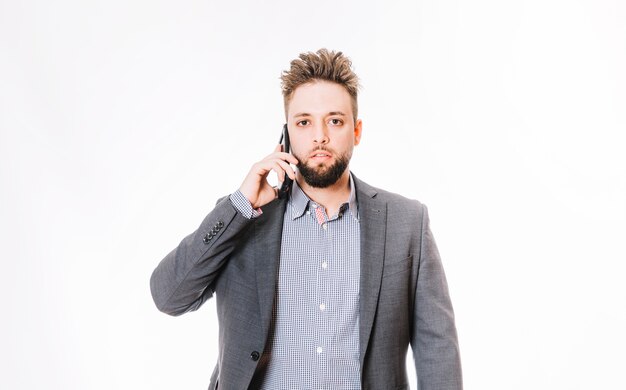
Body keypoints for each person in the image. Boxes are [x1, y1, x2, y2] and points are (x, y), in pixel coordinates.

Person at [150, 48, 462, 390]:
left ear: (356, 131)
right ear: (286, 134)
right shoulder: (244, 217)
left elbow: (438, 350)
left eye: (335, 120)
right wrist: (239, 207)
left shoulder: (406, 222)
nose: (319, 137)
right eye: (304, 122)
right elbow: (169, 296)